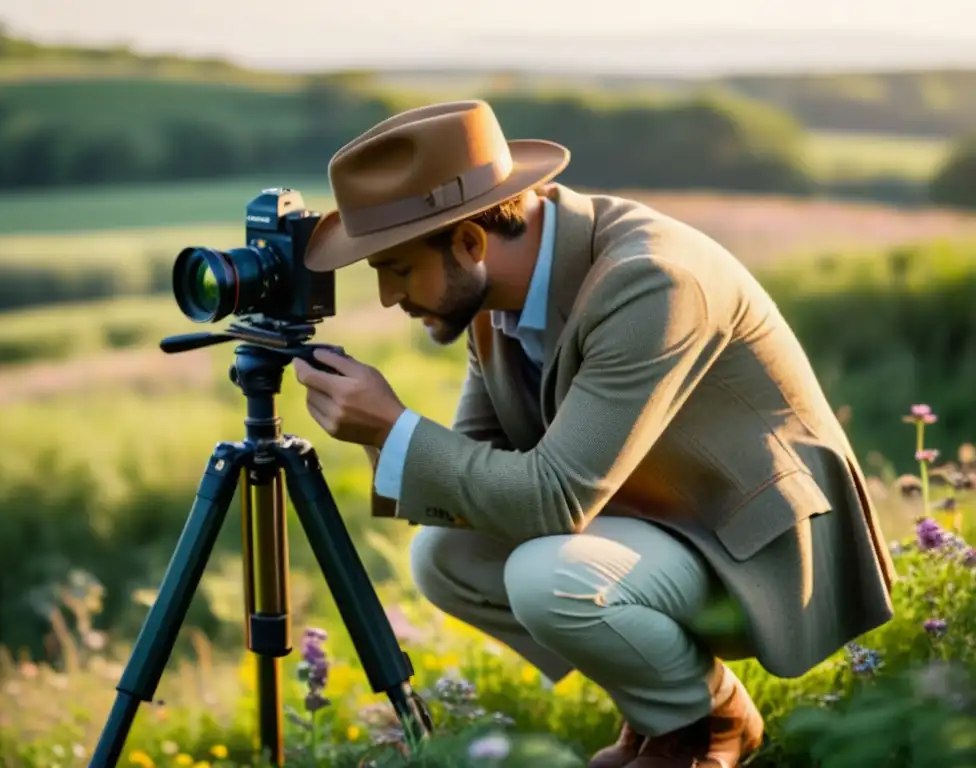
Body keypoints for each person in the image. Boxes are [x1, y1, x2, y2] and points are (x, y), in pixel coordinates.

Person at [293, 100, 897, 768]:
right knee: (447, 555)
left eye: (397, 268)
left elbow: (549, 501)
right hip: (651, 512)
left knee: (547, 577)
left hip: (749, 532)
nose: (386, 297)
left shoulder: (648, 281)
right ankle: (681, 707)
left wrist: (395, 425)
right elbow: (478, 474)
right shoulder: (493, 297)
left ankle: (702, 731)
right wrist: (384, 437)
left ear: (468, 242)